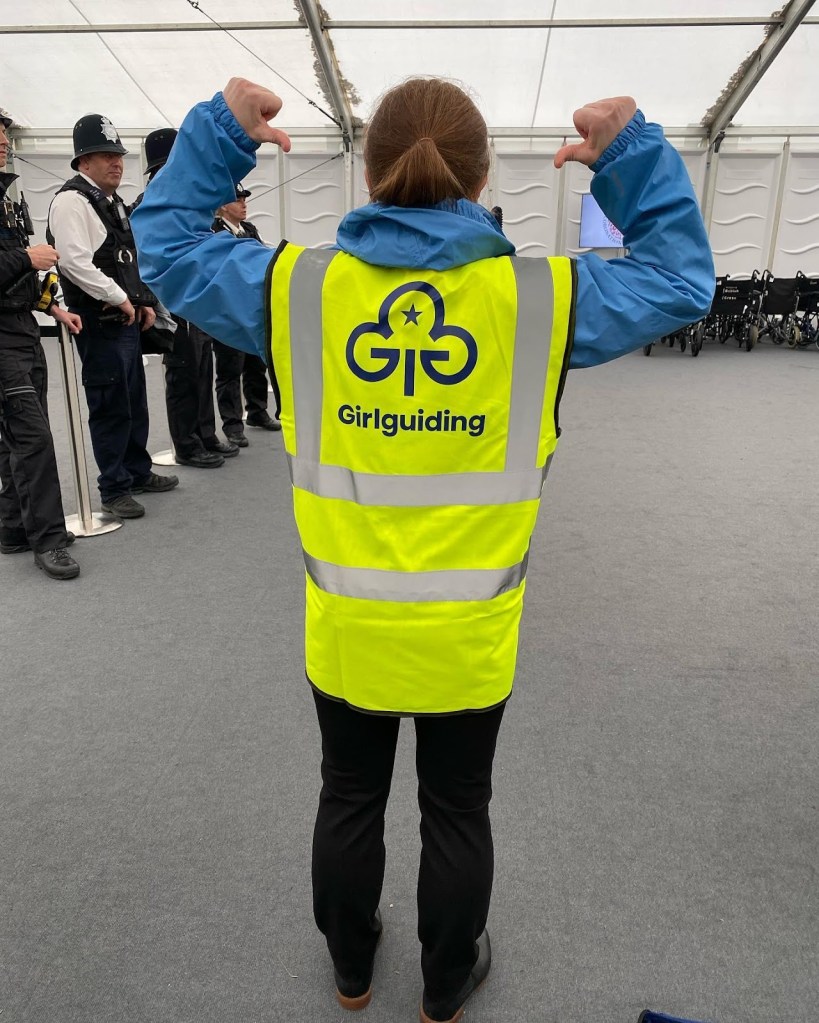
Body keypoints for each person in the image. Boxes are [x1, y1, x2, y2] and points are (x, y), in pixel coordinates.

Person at [132, 77, 714, 1022]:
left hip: (347, 624)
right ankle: (445, 985)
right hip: (471, 632)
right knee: (456, 809)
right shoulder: (541, 299)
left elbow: (165, 247)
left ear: (369, 173)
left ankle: (352, 971)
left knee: (348, 796)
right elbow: (681, 281)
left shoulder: (298, 287)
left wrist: (215, 137)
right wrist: (632, 153)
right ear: (482, 175)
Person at [46, 113, 178, 520]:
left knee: (134, 401)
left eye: (118, 155)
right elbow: (74, 264)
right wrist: (121, 298)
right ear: (83, 163)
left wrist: (140, 302)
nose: (116, 163)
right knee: (110, 405)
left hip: (123, 319)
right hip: (98, 322)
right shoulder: (71, 201)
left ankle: (136, 471)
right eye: (104, 156)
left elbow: (124, 261)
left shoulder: (111, 201)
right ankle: (114, 487)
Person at [0, 112, 82, 580]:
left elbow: (21, 275)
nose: (4, 141)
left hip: (23, 331)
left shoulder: (11, 195)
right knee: (31, 438)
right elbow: (19, 261)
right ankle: (48, 539)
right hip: (3, 342)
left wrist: (52, 307)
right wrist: (24, 256)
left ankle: (15, 526)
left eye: (6, 133)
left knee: (13, 435)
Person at [136, 129, 231, 468]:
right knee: (182, 375)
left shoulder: (185, 210)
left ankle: (205, 433)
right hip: (169, 305)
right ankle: (187, 445)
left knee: (202, 369)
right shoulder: (147, 210)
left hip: (194, 302)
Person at [211, 184, 282, 446]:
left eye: (244, 199)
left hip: (252, 307)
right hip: (229, 309)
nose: (243, 204)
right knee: (230, 367)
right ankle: (232, 423)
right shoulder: (215, 232)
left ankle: (257, 410)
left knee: (255, 362)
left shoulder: (249, 230)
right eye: (237, 200)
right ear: (222, 206)